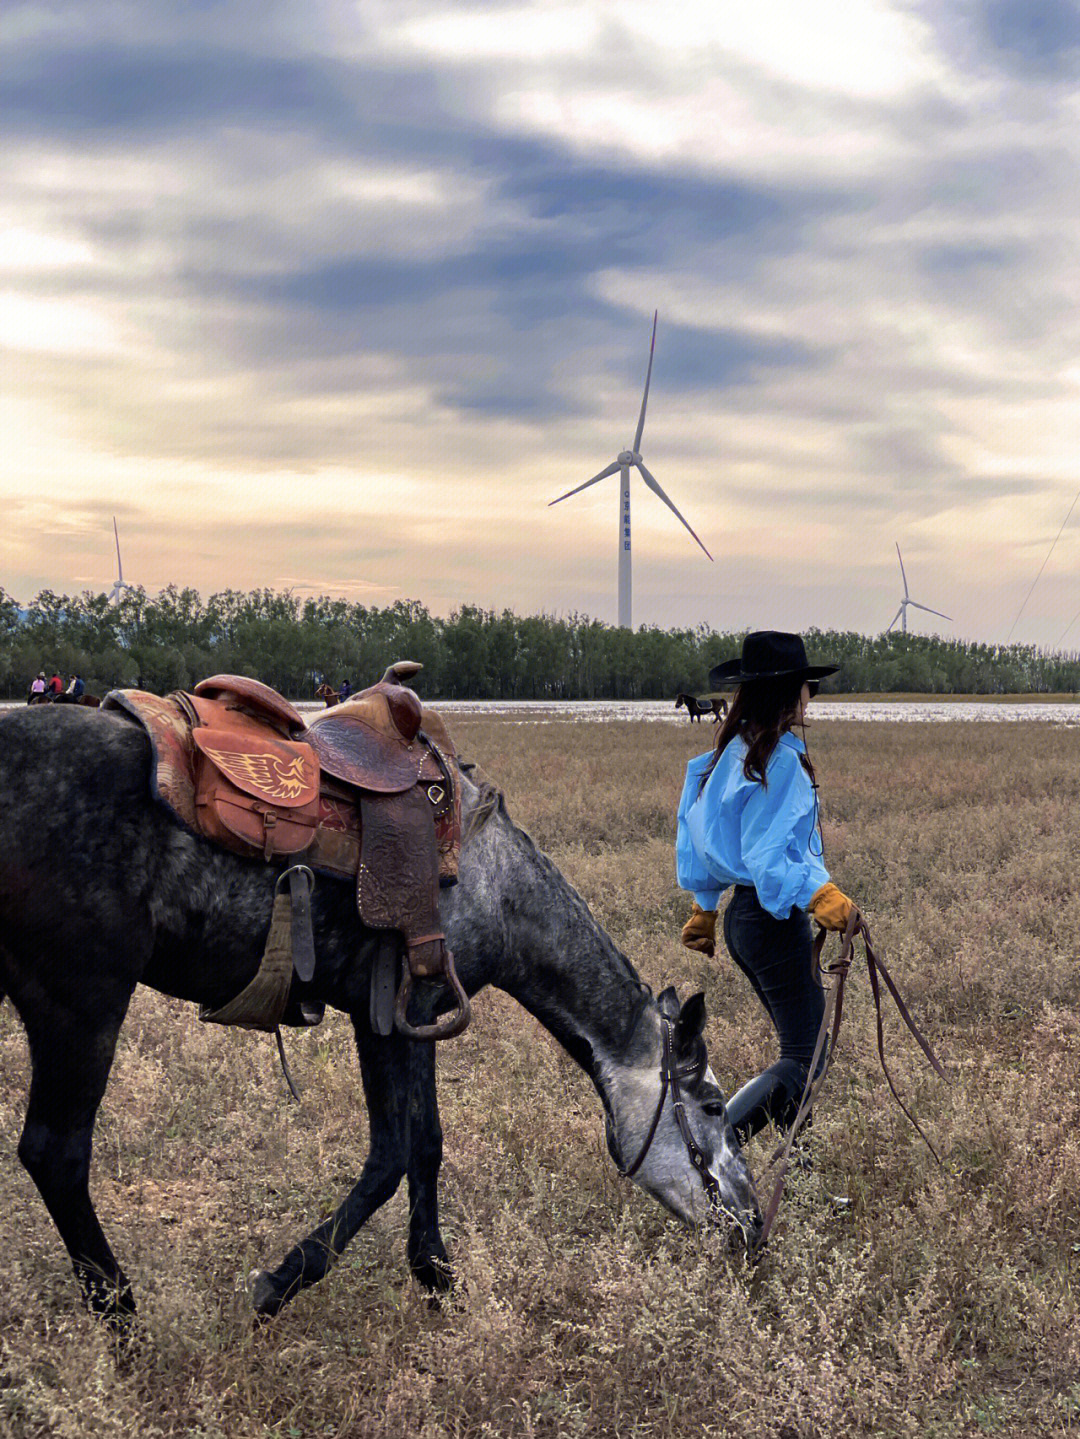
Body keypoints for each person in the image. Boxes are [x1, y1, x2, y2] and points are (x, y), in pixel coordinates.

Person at [675, 631, 858, 1146]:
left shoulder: (730, 753)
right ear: (786, 692)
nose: (810, 698)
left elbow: (699, 833)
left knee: (797, 1050)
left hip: (743, 920)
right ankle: (719, 1149)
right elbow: (767, 858)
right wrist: (820, 897)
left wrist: (705, 906)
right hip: (772, 918)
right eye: (806, 687)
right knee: (807, 1056)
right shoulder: (777, 761)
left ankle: (801, 1183)